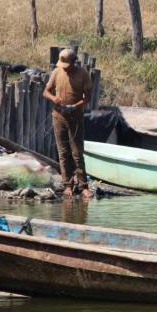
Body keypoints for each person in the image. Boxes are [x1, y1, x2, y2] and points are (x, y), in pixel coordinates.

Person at [43, 48, 93, 199]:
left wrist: (75, 106)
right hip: (59, 117)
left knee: (77, 152)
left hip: (75, 118)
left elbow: (87, 97)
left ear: (73, 62)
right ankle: (68, 185)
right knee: (63, 153)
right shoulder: (57, 72)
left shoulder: (83, 74)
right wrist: (54, 98)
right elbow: (46, 91)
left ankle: (83, 186)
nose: (65, 68)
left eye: (67, 65)